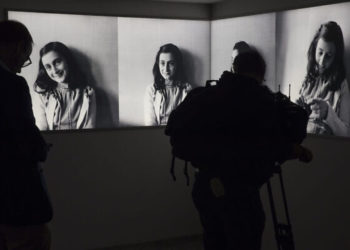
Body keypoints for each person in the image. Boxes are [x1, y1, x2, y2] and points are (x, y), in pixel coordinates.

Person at [190, 50, 312, 250]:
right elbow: (266, 146)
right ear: (260, 73)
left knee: (214, 241)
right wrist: (294, 150)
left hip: (205, 186)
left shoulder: (211, 94)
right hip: (238, 193)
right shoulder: (259, 101)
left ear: (234, 68)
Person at [0, 20, 53, 250]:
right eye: (26, 55)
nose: (23, 64)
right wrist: (40, 149)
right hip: (14, 193)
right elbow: (25, 134)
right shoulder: (13, 84)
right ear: (17, 47)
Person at [296, 21, 350, 136]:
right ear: (314, 48)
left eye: (328, 56)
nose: (322, 61)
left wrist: (328, 113)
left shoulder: (341, 85)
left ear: (336, 57)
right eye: (320, 53)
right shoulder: (307, 80)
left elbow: (346, 133)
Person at [33, 41, 96, 130]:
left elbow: (90, 127)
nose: (54, 70)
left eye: (57, 62)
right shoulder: (42, 93)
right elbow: (41, 129)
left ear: (68, 60)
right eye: (48, 67)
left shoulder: (87, 93)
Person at [144, 43, 191, 126]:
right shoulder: (151, 90)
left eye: (171, 63)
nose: (166, 69)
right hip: (155, 134)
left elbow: (187, 120)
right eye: (162, 63)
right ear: (158, 64)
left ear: (177, 65)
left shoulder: (186, 89)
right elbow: (150, 122)